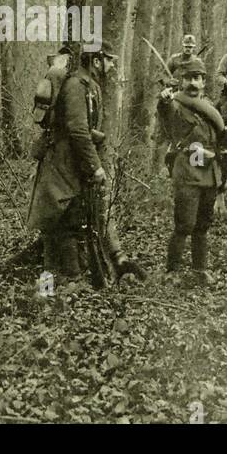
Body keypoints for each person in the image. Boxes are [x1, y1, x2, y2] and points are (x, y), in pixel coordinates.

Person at [26, 42, 142, 286]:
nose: (111, 67)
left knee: (69, 222)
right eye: (109, 61)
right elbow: (78, 131)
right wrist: (95, 166)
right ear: (97, 61)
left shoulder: (87, 85)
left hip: (70, 164)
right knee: (62, 224)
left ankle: (65, 284)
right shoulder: (77, 86)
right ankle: (65, 283)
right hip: (62, 164)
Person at [157, 57, 224, 283]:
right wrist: (163, 100)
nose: (193, 83)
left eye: (197, 78)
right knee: (184, 224)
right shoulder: (175, 104)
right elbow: (165, 111)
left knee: (203, 225)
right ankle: (172, 271)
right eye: (188, 79)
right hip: (187, 170)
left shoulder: (210, 107)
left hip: (209, 172)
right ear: (181, 82)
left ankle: (199, 270)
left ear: (203, 82)